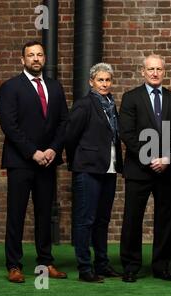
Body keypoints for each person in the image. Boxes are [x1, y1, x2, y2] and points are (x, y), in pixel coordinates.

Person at [0, 40, 68, 283]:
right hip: (21, 161)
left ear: (44, 58)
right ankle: (14, 265)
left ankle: (46, 261)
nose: (36, 59)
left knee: (44, 213)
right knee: (16, 214)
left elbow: (63, 123)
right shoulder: (10, 87)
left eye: (39, 54)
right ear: (23, 60)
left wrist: (52, 149)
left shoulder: (55, 87)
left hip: (47, 161)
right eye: (31, 55)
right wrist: (33, 152)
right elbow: (10, 125)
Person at [119, 54, 171, 283]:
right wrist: (150, 158)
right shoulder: (130, 98)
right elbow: (127, 133)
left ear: (164, 72)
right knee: (132, 218)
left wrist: (166, 159)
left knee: (166, 219)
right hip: (139, 169)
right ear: (142, 71)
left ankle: (162, 265)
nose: (155, 73)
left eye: (159, 69)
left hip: (166, 169)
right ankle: (131, 265)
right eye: (150, 69)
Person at [65, 63, 123, 283]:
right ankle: (85, 268)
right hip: (88, 169)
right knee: (85, 220)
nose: (105, 84)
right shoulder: (84, 104)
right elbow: (70, 137)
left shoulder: (111, 104)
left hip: (109, 169)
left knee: (102, 220)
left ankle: (102, 263)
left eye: (108, 80)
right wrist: (79, 160)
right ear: (91, 82)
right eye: (100, 80)